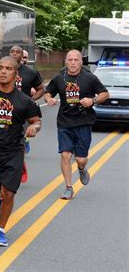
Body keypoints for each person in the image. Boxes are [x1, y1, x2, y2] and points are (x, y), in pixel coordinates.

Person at [0, 56, 42, 247]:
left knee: (9, 192)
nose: (3, 71)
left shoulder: (24, 100)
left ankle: (0, 230)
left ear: (15, 73)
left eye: (8, 68)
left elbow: (36, 121)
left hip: (13, 151)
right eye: (0, 68)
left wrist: (33, 128)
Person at [44, 50, 109, 200]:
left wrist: (92, 101)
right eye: (70, 60)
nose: (73, 63)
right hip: (64, 122)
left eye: (76, 60)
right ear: (65, 61)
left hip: (83, 122)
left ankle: (81, 168)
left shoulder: (90, 78)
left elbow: (105, 94)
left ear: (81, 62)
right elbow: (48, 93)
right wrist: (48, 99)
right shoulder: (59, 78)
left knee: (80, 158)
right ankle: (68, 187)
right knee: (65, 155)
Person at [9, 45, 44, 182]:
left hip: (22, 113)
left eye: (17, 52)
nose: (14, 54)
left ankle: (18, 165)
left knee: (19, 141)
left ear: (22, 55)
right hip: (4, 111)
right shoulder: (3, 70)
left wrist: (31, 100)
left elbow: (41, 89)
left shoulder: (30, 73)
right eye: (12, 51)